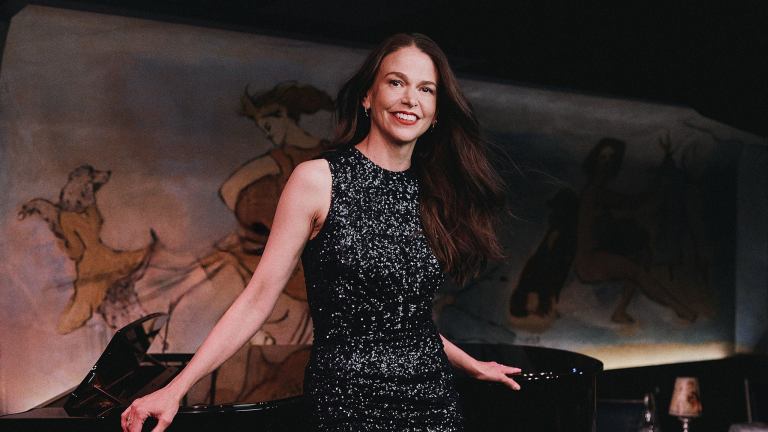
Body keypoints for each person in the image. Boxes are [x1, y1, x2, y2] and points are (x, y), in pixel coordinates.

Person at [121, 32, 521, 432]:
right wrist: (176, 388)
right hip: (346, 406)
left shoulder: (431, 195)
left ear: (435, 114)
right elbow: (256, 300)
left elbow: (405, 321)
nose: (410, 99)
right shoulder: (317, 181)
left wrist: (472, 364)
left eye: (426, 89)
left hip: (433, 404)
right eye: (396, 82)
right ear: (367, 97)